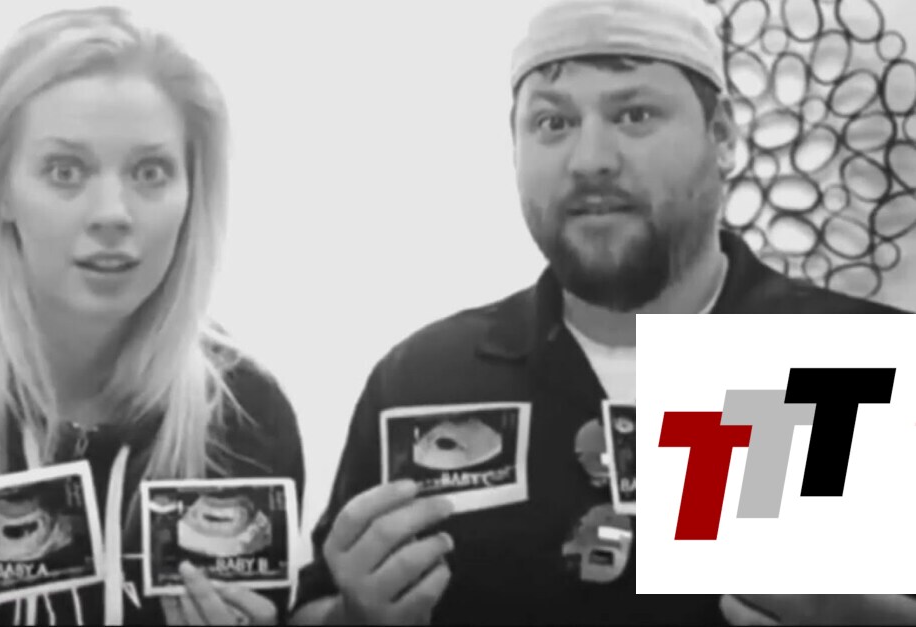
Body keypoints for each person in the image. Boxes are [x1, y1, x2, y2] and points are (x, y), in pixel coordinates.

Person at [289, 0, 914, 625]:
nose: (589, 159)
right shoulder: (422, 380)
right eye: (553, 123)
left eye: (634, 115)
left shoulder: (863, 357)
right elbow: (313, 607)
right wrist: (350, 616)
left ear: (722, 135)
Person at [0, 6, 304, 626]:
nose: (113, 213)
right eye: (66, 171)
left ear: (192, 194)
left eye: (150, 172)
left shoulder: (249, 424)